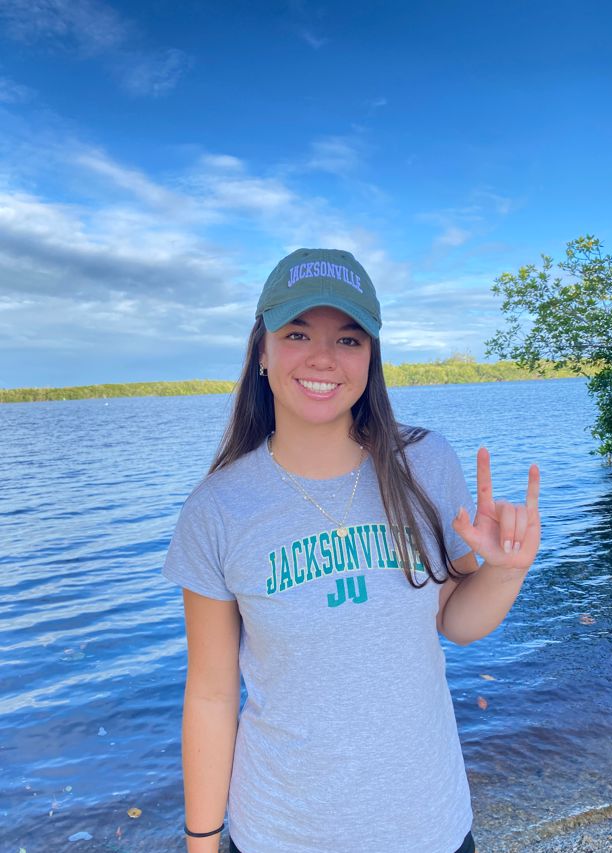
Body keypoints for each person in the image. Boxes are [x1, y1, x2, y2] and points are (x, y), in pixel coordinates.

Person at [162, 247, 541, 853]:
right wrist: (202, 841)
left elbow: (455, 621)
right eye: (297, 333)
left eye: (348, 339)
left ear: (371, 358)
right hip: (280, 834)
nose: (323, 358)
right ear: (262, 352)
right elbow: (210, 692)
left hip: (429, 826)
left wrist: (506, 571)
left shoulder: (424, 464)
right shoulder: (218, 509)